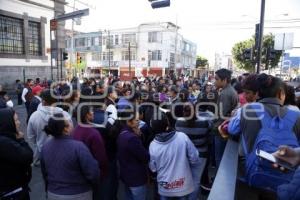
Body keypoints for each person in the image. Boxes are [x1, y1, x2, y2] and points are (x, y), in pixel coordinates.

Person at [228, 74, 300, 197]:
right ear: (280, 93)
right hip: (285, 180)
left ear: (259, 92)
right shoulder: (296, 115)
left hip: (252, 175)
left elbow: (232, 130)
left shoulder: (247, 110)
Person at [41, 113, 100, 200]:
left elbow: (44, 172)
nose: (72, 122)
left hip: (53, 193)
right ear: (65, 129)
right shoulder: (78, 147)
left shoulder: (45, 146)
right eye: (69, 121)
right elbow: (93, 172)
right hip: (78, 194)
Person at [149, 112, 201, 199]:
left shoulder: (153, 145)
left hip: (165, 188)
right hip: (183, 186)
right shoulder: (182, 137)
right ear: (168, 123)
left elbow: (153, 168)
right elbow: (195, 157)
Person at [175, 105, 212, 199]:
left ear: (184, 112)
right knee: (196, 180)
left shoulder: (179, 122)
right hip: (201, 153)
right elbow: (210, 129)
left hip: (185, 154)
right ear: (195, 111)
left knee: (184, 178)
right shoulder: (204, 122)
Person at [27, 89, 71, 166]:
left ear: (43, 101)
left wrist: (38, 144)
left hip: (43, 150)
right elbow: (70, 132)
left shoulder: (34, 116)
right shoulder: (65, 115)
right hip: (63, 150)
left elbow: (31, 136)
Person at [72, 105, 108, 200]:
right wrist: (102, 173)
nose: (93, 113)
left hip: (80, 171)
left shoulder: (75, 129)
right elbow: (101, 158)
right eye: (91, 111)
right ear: (87, 115)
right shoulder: (93, 133)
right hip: (92, 172)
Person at [114, 108, 150, 200]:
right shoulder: (132, 138)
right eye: (137, 120)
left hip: (127, 175)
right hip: (136, 178)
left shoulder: (122, 133)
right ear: (129, 122)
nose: (139, 122)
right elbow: (145, 156)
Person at [0, 108, 33, 200]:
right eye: (16, 120)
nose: (19, 122)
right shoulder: (4, 142)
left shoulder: (6, 138)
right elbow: (27, 156)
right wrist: (21, 140)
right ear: (7, 123)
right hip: (13, 192)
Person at [214, 68, 238, 168]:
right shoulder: (229, 90)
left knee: (219, 158)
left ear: (224, 80)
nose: (214, 81)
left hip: (221, 130)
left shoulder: (226, 93)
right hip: (225, 128)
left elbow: (221, 114)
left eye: (216, 79)